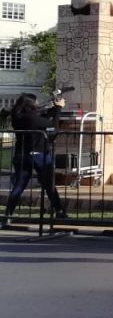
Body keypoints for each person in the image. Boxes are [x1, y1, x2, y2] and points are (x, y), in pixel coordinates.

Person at [2, 93, 66, 226]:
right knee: (49, 184)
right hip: (39, 155)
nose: (37, 104)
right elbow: (53, 128)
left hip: (21, 154)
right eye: (35, 102)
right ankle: (59, 211)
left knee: (19, 185)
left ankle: (8, 214)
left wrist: (52, 109)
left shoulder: (17, 116)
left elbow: (41, 118)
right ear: (30, 105)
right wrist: (59, 109)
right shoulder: (32, 118)